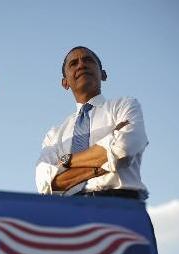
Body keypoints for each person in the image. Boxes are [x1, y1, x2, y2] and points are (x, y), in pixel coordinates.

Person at [35, 47, 148, 200]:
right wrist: (106, 157)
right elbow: (45, 184)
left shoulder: (124, 106)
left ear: (103, 74)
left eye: (88, 60)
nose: (81, 65)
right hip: (72, 213)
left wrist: (66, 161)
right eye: (73, 63)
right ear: (65, 82)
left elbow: (124, 148)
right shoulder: (54, 135)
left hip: (120, 205)